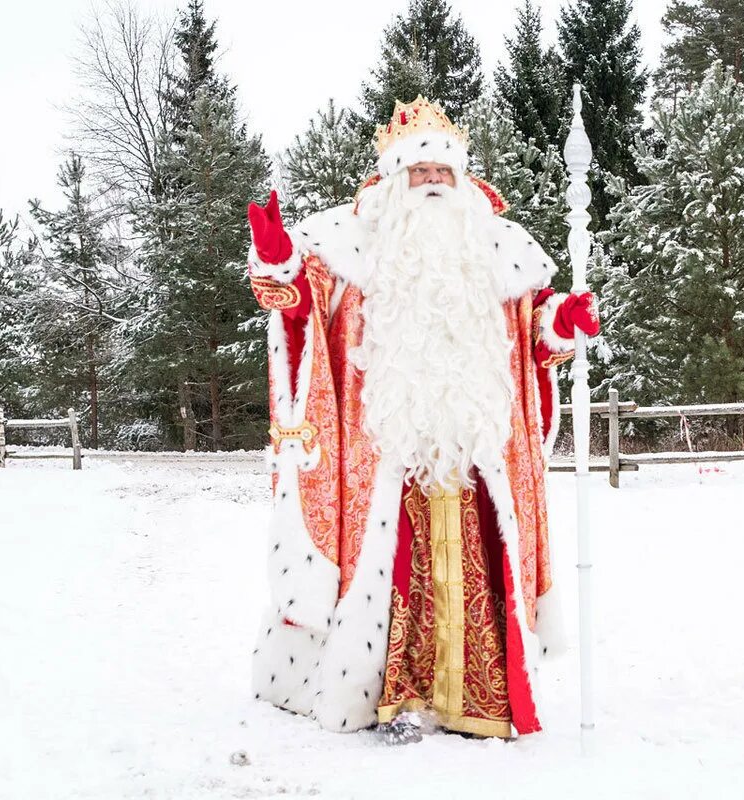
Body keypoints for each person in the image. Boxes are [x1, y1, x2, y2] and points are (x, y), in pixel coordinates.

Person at [244, 96, 599, 741]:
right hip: (386, 451)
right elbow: (295, 301)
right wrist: (277, 255)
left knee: (480, 560)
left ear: (462, 182)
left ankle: (477, 698)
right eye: (419, 173)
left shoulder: (499, 250)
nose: (432, 184)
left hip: (475, 450)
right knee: (386, 565)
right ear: (394, 182)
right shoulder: (351, 246)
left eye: (442, 174)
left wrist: (563, 324)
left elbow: (534, 335)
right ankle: (392, 694)